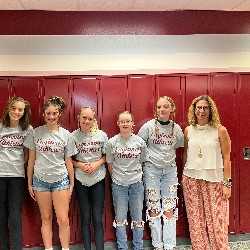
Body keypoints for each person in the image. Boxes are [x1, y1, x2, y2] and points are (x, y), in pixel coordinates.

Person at [25, 96, 77, 250]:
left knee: (63, 220)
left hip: (61, 181)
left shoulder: (66, 135)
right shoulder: (36, 133)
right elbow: (31, 161)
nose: (51, 116)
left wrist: (72, 183)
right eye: (48, 113)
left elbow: (68, 161)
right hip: (40, 181)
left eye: (54, 113)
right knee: (46, 218)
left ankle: (65, 248)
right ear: (43, 114)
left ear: (59, 114)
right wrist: (29, 183)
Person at [182, 95, 231, 250]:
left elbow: (227, 157)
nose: (201, 111)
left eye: (205, 108)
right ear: (194, 110)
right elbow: (185, 154)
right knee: (196, 221)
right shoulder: (188, 130)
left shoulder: (220, 130)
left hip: (214, 180)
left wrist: (227, 183)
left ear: (211, 110)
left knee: (217, 221)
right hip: (191, 179)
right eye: (198, 108)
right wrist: (183, 178)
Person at [137, 96, 184, 250]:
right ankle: (158, 245)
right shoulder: (148, 127)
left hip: (169, 171)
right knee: (154, 207)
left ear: (171, 109)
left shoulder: (176, 128)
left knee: (170, 207)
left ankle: (169, 245)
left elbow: (177, 146)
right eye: (159, 107)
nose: (162, 110)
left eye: (165, 107)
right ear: (156, 109)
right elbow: (138, 145)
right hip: (151, 170)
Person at [106, 111, 148, 250]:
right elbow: (110, 164)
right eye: (122, 121)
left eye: (127, 121)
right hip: (119, 185)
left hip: (136, 184)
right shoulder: (112, 142)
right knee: (120, 219)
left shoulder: (140, 142)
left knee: (137, 219)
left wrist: (133, 175)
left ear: (132, 123)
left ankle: (138, 247)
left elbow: (142, 162)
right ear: (118, 124)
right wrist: (119, 178)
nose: (125, 124)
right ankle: (122, 247)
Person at [70, 107, 108, 250]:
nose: (87, 121)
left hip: (98, 179)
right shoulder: (73, 137)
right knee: (85, 217)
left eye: (90, 118)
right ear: (79, 118)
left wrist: (96, 164)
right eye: (84, 118)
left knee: (97, 218)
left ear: (94, 120)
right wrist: (80, 165)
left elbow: (107, 156)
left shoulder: (101, 135)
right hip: (81, 180)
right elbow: (69, 160)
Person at [0, 97, 32, 250]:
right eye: (14, 108)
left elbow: (27, 155)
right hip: (0, 176)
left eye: (20, 109)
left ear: (24, 112)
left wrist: (17, 165)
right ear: (8, 108)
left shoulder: (27, 129)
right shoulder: (0, 126)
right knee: (1, 217)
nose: (16, 112)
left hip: (17, 177)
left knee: (14, 217)